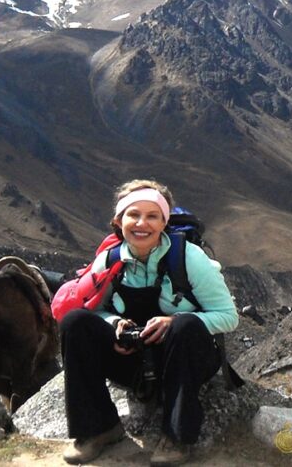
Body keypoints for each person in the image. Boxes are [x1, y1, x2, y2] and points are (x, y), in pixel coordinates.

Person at [59, 179, 238, 466]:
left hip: (183, 359)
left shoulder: (189, 259)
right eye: (133, 214)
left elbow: (228, 316)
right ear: (119, 221)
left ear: (164, 221)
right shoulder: (109, 260)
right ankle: (98, 428)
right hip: (133, 360)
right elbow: (96, 310)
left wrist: (173, 320)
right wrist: (115, 324)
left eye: (152, 216)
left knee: (185, 326)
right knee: (75, 322)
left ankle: (177, 435)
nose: (142, 223)